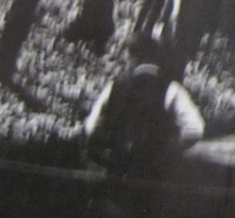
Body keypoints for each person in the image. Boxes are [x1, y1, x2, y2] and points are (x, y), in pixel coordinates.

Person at [84, 32, 204, 179]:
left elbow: (91, 127)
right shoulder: (171, 89)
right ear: (155, 58)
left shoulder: (114, 88)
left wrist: (110, 150)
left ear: (132, 57)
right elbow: (195, 129)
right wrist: (168, 149)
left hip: (119, 172)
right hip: (155, 176)